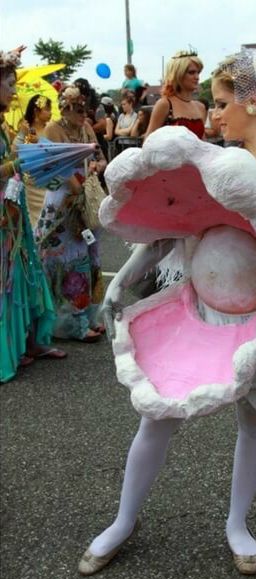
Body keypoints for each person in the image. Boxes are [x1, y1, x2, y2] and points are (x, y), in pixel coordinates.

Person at [78, 49, 256, 577]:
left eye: (222, 104)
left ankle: (237, 524)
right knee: (156, 415)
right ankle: (123, 520)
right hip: (196, 310)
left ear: (251, 100)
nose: (213, 115)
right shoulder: (213, 159)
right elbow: (175, 230)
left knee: (255, 421)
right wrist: (123, 283)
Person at [0, 48, 65, 383]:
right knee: (7, 281)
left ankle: (30, 343)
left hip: (13, 211)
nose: (13, 91)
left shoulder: (4, 128)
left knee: (24, 273)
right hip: (4, 218)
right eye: (8, 84)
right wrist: (18, 163)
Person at [35, 84, 107, 342]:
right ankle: (70, 324)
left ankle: (88, 317)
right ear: (64, 107)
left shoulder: (87, 127)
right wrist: (75, 183)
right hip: (63, 202)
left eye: (84, 108)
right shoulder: (53, 129)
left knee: (90, 258)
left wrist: (95, 166)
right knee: (67, 260)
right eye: (77, 108)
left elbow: (100, 157)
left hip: (86, 198)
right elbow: (51, 166)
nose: (83, 113)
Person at [145, 49, 207, 139]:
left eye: (198, 72)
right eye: (191, 72)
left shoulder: (200, 107)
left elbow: (203, 143)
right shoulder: (165, 104)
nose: (197, 77)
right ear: (178, 74)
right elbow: (148, 142)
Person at [13, 94, 52, 227]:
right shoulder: (25, 130)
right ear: (36, 111)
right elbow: (14, 154)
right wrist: (23, 134)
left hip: (51, 182)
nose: (50, 113)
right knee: (34, 224)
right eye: (47, 109)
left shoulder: (52, 128)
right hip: (31, 186)